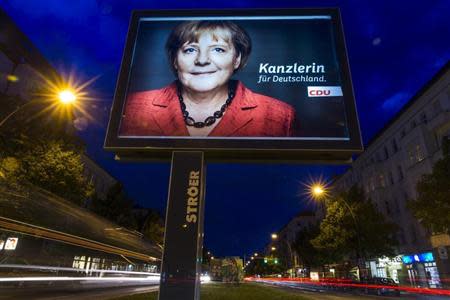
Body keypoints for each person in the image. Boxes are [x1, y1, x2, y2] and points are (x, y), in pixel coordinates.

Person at [120, 20, 296, 137]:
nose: (202, 60)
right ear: (174, 59)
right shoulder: (132, 106)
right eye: (190, 49)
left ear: (237, 59)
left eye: (218, 49)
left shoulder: (279, 116)